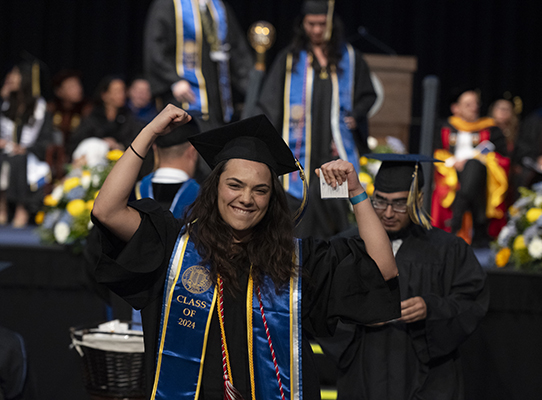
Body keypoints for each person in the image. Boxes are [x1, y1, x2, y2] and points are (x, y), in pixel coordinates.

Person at [86, 105, 401, 399]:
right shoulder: (174, 246)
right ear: (215, 187)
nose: (246, 198)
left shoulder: (297, 262)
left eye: (260, 190)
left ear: (271, 199)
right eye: (235, 185)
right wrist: (149, 132)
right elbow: (107, 211)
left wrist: (357, 193)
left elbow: (383, 268)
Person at [318, 153, 489, 400]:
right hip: (364, 369)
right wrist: (355, 313)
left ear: (418, 199)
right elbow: (321, 304)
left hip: (428, 376)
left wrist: (430, 307)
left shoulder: (447, 249)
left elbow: (472, 301)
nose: (388, 213)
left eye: (399, 204)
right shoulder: (345, 245)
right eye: (380, 201)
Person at [257, 0, 377, 240]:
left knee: (333, 208)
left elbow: (368, 94)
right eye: (311, 24)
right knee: (299, 206)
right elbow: (269, 103)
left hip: (333, 150)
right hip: (299, 150)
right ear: (303, 24)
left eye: (322, 24)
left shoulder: (350, 58)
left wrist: (355, 116)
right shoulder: (290, 59)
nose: (316, 30)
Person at [143, 0, 253, 131]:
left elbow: (237, 51)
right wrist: (174, 81)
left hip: (217, 99)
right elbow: (155, 48)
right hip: (184, 97)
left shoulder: (219, 7)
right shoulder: (168, 4)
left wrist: (253, 88)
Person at [431, 88, 510, 247]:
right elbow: (437, 153)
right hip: (450, 173)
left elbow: (502, 156)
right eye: (468, 104)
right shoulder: (444, 128)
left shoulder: (491, 129)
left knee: (473, 166)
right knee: (468, 172)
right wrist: (453, 162)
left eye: (475, 104)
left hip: (481, 175)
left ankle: (456, 220)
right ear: (455, 108)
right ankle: (478, 224)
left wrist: (474, 159)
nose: (474, 107)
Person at [0, 59, 53, 227]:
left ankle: (21, 210)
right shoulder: (8, 103)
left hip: (31, 155)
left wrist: (25, 148)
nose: (11, 78)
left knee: (18, 160)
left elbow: (46, 139)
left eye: (16, 74)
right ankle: (2, 209)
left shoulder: (40, 108)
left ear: (26, 79)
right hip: (7, 151)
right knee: (4, 158)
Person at [68, 75, 143, 161]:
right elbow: (76, 142)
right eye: (117, 91)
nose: (121, 95)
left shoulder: (128, 117)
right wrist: (102, 143)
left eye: (123, 91)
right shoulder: (93, 117)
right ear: (105, 95)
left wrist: (119, 146)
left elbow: (136, 141)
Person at [46, 69, 92, 178]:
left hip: (78, 157)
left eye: (78, 85)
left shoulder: (87, 109)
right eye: (71, 87)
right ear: (59, 92)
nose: (78, 89)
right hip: (54, 157)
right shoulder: (51, 109)